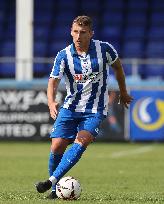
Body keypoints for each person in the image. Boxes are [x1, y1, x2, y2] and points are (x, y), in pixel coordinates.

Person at [35, 15, 133, 199]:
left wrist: (123, 92)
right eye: (75, 32)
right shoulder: (63, 55)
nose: (78, 36)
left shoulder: (104, 49)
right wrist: (51, 101)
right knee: (57, 146)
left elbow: (118, 68)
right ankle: (56, 189)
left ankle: (51, 182)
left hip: (95, 108)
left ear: (91, 33)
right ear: (71, 32)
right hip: (70, 106)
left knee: (83, 139)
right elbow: (53, 81)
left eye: (83, 32)